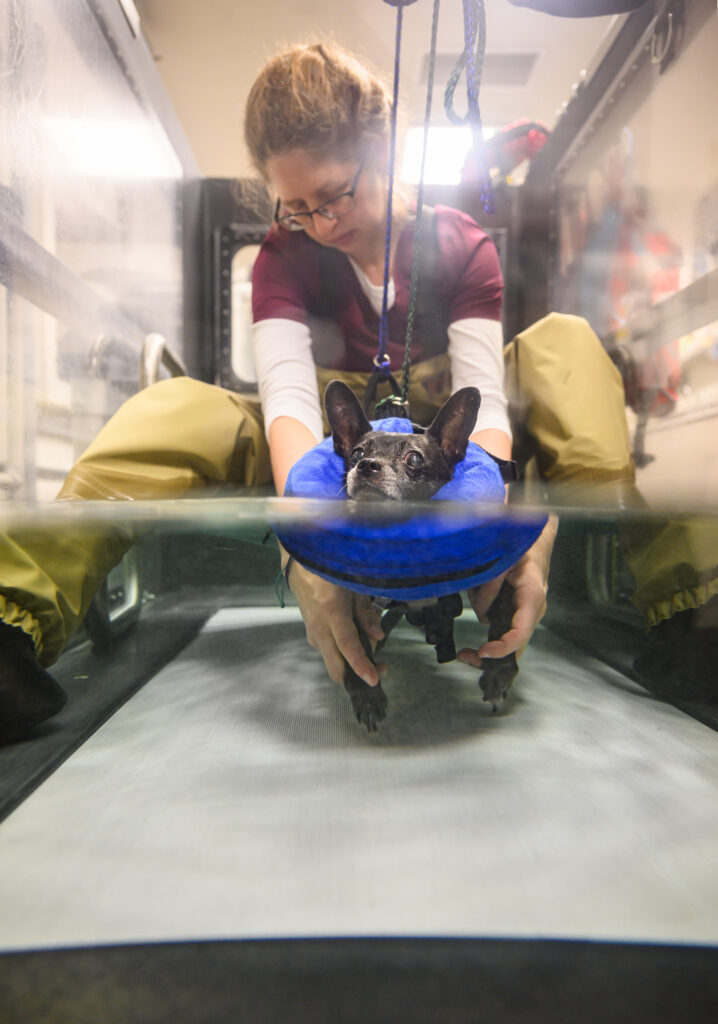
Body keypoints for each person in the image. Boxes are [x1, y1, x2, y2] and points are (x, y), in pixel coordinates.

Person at [2, 40, 652, 744]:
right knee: (174, 406)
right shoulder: (283, 258)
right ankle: (10, 623)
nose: (323, 222)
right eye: (297, 207)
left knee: (567, 345)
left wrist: (485, 535)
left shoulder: (463, 246)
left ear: (385, 152)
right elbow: (286, 407)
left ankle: (685, 606)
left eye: (337, 193)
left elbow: (483, 404)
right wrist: (308, 550)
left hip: (449, 446)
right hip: (326, 445)